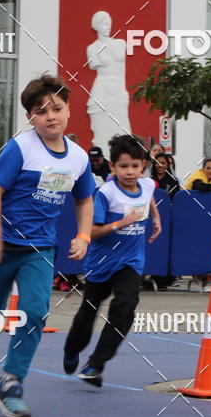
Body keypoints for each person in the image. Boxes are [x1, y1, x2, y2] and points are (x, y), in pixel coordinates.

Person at [0, 73, 95, 417]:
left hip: (39, 247)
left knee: (36, 310)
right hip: (1, 242)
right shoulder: (20, 148)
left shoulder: (79, 159)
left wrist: (83, 235)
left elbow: (85, 200)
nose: (50, 115)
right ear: (31, 118)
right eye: (41, 111)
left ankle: (11, 382)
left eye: (56, 108)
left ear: (69, 110)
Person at [63, 134, 161, 386]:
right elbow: (92, 232)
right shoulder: (106, 194)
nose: (130, 172)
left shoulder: (147, 184)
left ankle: (96, 363)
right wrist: (120, 223)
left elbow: (148, 196)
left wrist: (156, 218)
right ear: (112, 166)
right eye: (123, 166)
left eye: (135, 166)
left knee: (126, 306)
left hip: (130, 262)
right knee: (89, 311)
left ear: (143, 166)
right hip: (102, 261)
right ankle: (72, 349)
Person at [86, 11, 132, 155]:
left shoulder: (120, 43)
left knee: (124, 130)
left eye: (109, 24)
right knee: (101, 132)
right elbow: (94, 65)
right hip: (102, 90)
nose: (108, 27)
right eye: (105, 24)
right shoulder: (92, 48)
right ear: (97, 26)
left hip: (119, 90)